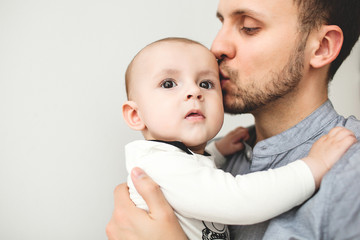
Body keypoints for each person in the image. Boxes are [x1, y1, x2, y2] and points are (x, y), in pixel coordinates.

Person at [106, 0, 360, 239]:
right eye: (222, 23)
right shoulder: (200, 154)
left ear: (322, 46)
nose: (216, 47)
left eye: (249, 27)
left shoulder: (351, 173)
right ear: (135, 114)